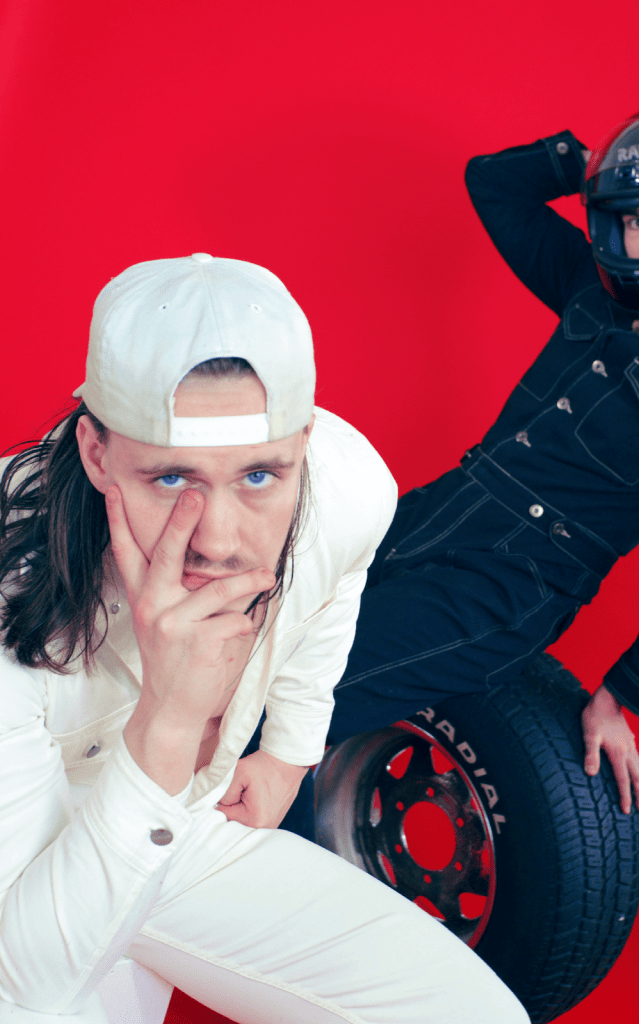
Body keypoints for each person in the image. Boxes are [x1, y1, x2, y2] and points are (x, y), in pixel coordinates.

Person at [0, 254, 528, 1023]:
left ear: (303, 446)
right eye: (170, 479)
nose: (217, 540)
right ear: (97, 454)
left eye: (257, 477)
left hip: (178, 817)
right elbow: (25, 977)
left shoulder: (346, 488)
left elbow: (336, 588)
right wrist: (170, 720)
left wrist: (289, 750)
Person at [238, 102, 639, 828]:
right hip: (436, 509)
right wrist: (590, 165)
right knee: (242, 639)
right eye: (632, 219)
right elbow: (492, 184)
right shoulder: (590, 286)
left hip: (515, 579)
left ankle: (223, 872)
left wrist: (624, 694)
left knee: (291, 702)